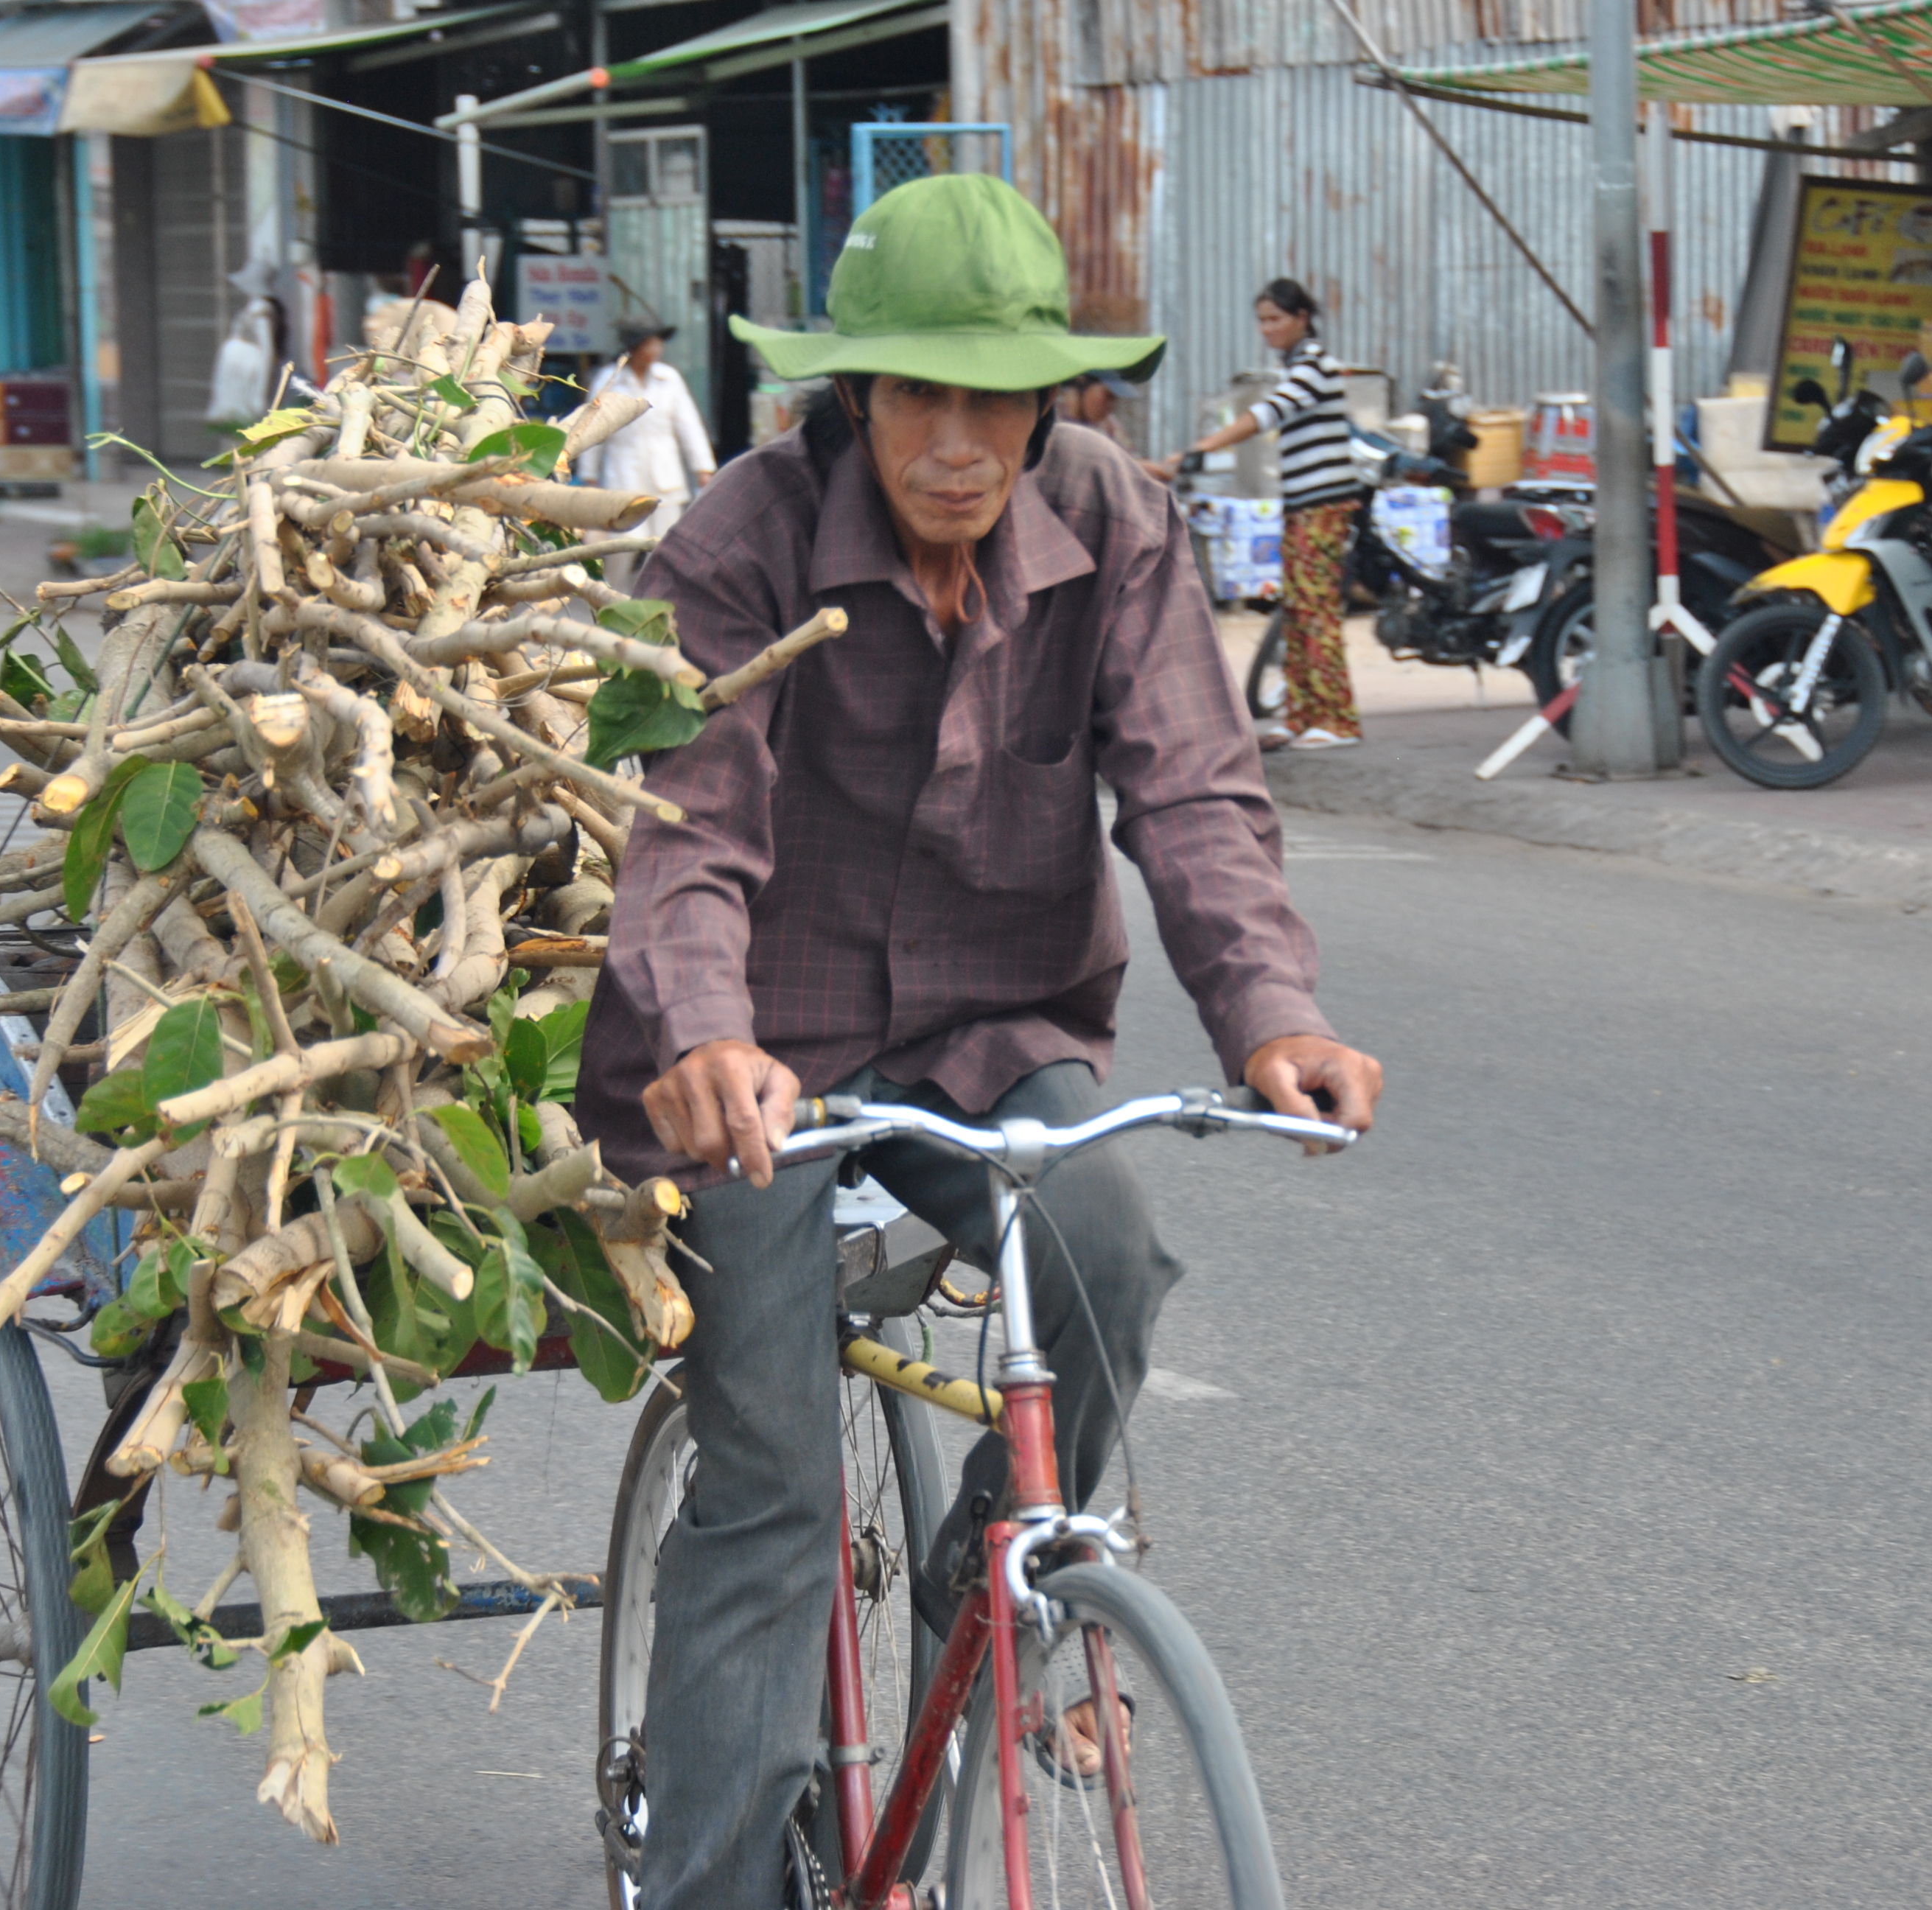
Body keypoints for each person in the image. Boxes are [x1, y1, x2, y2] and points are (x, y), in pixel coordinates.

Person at [582, 173, 1384, 1910]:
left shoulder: (1116, 522)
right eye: (920, 395)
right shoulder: (736, 542)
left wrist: (1274, 1013)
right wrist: (710, 1037)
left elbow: (1192, 787)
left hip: (996, 1026)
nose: (959, 439)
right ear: (854, 392)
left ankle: (987, 1593)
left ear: (1052, 401)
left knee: (1115, 1260)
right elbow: (689, 833)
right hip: (757, 1065)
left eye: (995, 397)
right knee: (777, 1481)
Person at [1161, 278, 1365, 751]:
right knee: (1297, 610)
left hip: (1322, 506)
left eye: (1276, 319)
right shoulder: (1296, 367)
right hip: (1301, 506)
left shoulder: (1317, 366)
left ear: (1302, 319)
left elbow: (1267, 414)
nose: (1267, 329)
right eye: (1262, 320)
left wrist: (1202, 447)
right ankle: (1301, 716)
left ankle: (1337, 721)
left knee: (1315, 612)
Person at [577, 321, 716, 583]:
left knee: (665, 543)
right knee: (625, 541)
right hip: (624, 472)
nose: (657, 349)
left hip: (664, 472)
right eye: (651, 343)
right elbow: (591, 427)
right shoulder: (610, 380)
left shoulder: (669, 379)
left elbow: (688, 424)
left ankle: (658, 598)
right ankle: (612, 597)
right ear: (635, 348)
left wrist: (703, 468)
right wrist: (589, 474)